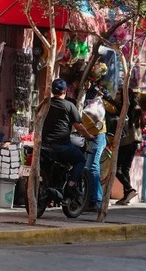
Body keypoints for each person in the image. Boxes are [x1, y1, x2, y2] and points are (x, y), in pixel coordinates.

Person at [42, 78, 95, 203]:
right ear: (65, 91)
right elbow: (78, 126)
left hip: (44, 145)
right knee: (81, 159)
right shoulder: (69, 106)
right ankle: (71, 185)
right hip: (61, 146)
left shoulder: (45, 104)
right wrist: (89, 136)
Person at [82, 82, 108, 212]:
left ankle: (97, 200)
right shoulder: (84, 97)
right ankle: (90, 199)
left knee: (92, 166)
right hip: (88, 136)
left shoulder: (96, 102)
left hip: (97, 136)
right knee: (89, 167)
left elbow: (96, 118)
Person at [115, 88, 142, 205]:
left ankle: (129, 188)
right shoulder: (137, 107)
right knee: (125, 169)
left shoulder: (127, 107)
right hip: (134, 142)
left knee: (117, 169)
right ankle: (127, 194)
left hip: (127, 142)